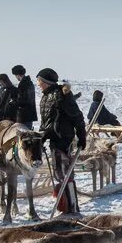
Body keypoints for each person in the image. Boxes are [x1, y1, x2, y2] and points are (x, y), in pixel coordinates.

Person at [37, 68, 86, 215]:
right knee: (59, 173)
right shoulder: (46, 97)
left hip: (63, 138)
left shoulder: (61, 96)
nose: (38, 83)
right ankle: (65, 207)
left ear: (46, 82)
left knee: (64, 172)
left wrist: (81, 136)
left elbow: (77, 116)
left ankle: (73, 207)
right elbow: (46, 122)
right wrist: (42, 137)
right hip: (53, 138)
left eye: (39, 80)